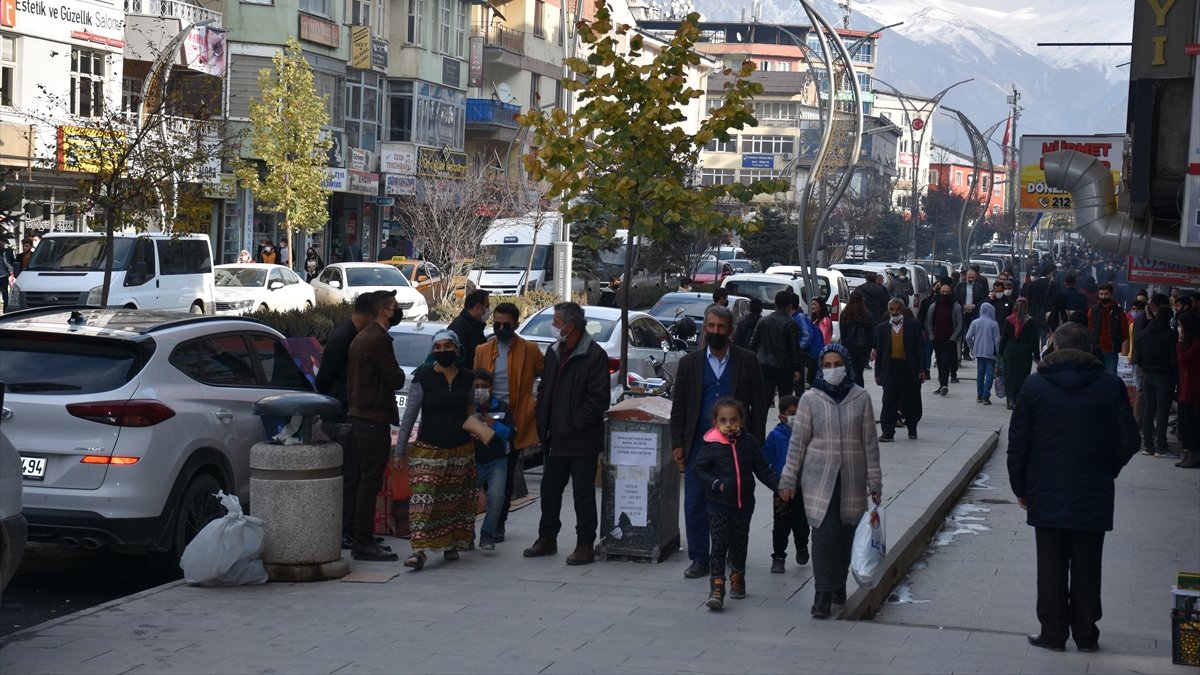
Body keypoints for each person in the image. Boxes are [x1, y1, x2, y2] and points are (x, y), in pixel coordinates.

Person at [1007, 322, 1139, 653]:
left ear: (1055, 346)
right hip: (1092, 489)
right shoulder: (1110, 386)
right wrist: (1108, 467)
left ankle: (1052, 633)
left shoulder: (1034, 386)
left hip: (1046, 488)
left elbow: (1018, 442)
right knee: (1087, 564)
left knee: (1050, 565)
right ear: (1090, 348)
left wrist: (1020, 486)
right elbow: (1130, 440)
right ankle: (1085, 633)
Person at [779, 344, 882, 619]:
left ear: (846, 366)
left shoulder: (861, 398)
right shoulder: (811, 399)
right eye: (827, 364)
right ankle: (822, 594)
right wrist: (788, 481)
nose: (832, 369)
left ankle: (838, 584)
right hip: (818, 479)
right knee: (824, 536)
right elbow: (797, 443)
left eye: (838, 364)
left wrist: (875, 483)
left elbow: (870, 443)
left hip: (851, 479)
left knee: (847, 534)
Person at [670, 304, 768, 579]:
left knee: (733, 501)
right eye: (710, 326)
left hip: (734, 446)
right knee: (695, 502)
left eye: (720, 327)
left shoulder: (747, 361)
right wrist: (677, 443)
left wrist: (756, 443)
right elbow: (679, 407)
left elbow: (759, 406)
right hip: (698, 444)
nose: (715, 331)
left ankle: (729, 553)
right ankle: (700, 557)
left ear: (730, 331)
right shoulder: (690, 363)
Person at [524, 302, 610, 565]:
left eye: (557, 321)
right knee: (550, 491)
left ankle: (584, 544)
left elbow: (598, 400)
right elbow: (546, 388)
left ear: (571, 326)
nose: (554, 326)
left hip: (581, 438)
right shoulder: (553, 351)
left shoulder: (594, 355)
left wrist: (573, 423)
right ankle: (547, 538)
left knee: (583, 494)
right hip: (554, 437)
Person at [394, 329, 477, 570]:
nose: (443, 352)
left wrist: (489, 437)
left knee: (452, 501)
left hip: (460, 452)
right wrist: (400, 451)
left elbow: (471, 413)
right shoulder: (423, 378)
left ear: (457, 349)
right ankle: (418, 551)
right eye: (437, 348)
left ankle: (450, 544)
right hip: (428, 450)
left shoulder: (468, 379)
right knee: (423, 499)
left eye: (447, 346)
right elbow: (409, 416)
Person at [316, 292, 389, 548]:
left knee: (359, 475)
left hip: (353, 413)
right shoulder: (343, 338)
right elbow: (323, 380)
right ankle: (345, 530)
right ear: (370, 315)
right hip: (342, 414)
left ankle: (359, 531)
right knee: (350, 477)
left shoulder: (358, 336)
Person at [694, 397, 780, 610]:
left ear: (741, 420)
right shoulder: (711, 444)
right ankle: (717, 587)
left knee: (740, 544)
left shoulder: (748, 442)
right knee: (719, 546)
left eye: (733, 419)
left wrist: (779, 487)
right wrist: (716, 484)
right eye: (723, 420)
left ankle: (737, 577)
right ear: (715, 422)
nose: (729, 424)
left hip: (744, 505)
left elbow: (761, 469)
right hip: (718, 505)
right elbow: (699, 469)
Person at [474, 301, 545, 541]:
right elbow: (475, 384)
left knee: (504, 476)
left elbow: (547, 376)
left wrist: (535, 402)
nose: (501, 328)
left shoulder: (529, 350)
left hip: (512, 422)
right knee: (482, 473)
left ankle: (498, 524)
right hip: (484, 420)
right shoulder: (482, 350)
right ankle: (486, 521)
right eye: (497, 323)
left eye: (506, 324)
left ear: (515, 324)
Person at [346, 291, 407, 562]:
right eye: (394, 307)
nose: (397, 310)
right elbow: (394, 378)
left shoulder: (364, 336)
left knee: (366, 480)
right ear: (384, 310)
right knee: (369, 481)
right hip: (372, 418)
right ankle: (363, 541)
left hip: (364, 416)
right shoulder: (377, 339)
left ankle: (364, 537)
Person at [469, 369, 516, 551]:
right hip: (473, 461)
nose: (480, 390)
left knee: (496, 497)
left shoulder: (502, 408)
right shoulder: (469, 408)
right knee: (467, 500)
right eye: (476, 387)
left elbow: (512, 434)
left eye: (484, 387)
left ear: (491, 388)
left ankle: (488, 534)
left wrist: (494, 425)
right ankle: (467, 534)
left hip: (497, 461)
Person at [761, 395, 807, 574]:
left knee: (801, 523)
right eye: (793, 414)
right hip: (781, 490)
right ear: (782, 417)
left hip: (802, 489)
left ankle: (802, 546)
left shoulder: (808, 436)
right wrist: (777, 485)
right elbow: (765, 460)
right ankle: (779, 556)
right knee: (780, 524)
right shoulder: (775, 436)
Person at [876, 298, 927, 441]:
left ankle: (911, 427)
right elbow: (880, 351)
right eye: (891, 309)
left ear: (902, 310)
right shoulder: (883, 327)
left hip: (908, 368)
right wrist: (878, 372)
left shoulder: (913, 325)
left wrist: (922, 369)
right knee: (888, 400)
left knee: (910, 400)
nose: (894, 312)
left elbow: (920, 349)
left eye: (897, 309)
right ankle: (887, 432)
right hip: (890, 368)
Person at [1132, 305, 1177, 458]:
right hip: (1165, 377)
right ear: (1169, 318)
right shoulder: (1171, 335)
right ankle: (1161, 446)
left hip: (1148, 375)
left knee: (1148, 411)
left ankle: (1148, 446)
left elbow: (1136, 358)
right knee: (1162, 412)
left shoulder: (1142, 335)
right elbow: (1173, 359)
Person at [749, 290, 803, 407]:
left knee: (764, 401)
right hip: (785, 367)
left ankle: (760, 424)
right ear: (789, 306)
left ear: (775, 304)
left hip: (764, 365)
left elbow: (753, 343)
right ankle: (784, 423)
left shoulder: (763, 321)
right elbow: (795, 347)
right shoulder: (791, 323)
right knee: (785, 402)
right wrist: (797, 368)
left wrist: (752, 363)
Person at [1000, 297, 1041, 411]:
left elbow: (1004, 338)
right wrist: (1037, 356)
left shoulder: (1009, 320)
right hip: (1025, 351)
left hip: (1010, 350)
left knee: (1010, 374)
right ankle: (1019, 399)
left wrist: (1000, 352)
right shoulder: (1030, 321)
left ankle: (1010, 399)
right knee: (1022, 375)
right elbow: (1034, 340)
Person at [925, 281, 963, 395]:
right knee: (940, 362)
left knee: (946, 362)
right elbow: (929, 322)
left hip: (949, 339)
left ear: (950, 292)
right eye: (943, 292)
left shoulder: (955, 306)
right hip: (937, 339)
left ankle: (944, 384)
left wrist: (954, 337)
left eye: (947, 292)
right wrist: (931, 335)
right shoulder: (934, 306)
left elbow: (960, 324)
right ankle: (941, 384)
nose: (945, 294)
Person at [1176, 296, 1200, 468]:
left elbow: (1184, 359)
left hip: (1193, 387)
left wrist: (1179, 343)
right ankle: (1188, 451)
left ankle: (1194, 453)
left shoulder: (1195, 342)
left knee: (1192, 423)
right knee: (1184, 422)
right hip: (1184, 386)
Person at [1088, 284, 1128, 375]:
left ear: (1111, 294)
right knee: (1095, 376)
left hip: (1111, 350)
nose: (1103, 296)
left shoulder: (1119, 311)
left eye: (1106, 294)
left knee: (1111, 376)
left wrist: (1117, 342)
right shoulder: (1093, 311)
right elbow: (1089, 329)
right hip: (1096, 349)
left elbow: (1125, 332)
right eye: (1101, 294)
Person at [965, 302, 1000, 405]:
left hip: (979, 352)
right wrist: (999, 353)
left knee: (980, 374)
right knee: (989, 375)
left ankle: (979, 395)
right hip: (991, 353)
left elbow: (968, 337)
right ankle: (986, 396)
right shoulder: (994, 324)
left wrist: (972, 346)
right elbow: (997, 340)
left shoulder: (975, 322)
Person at [838, 290, 875, 387]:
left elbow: (842, 332)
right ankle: (859, 391)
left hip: (849, 347)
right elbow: (871, 334)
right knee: (859, 373)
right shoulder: (867, 316)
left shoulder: (845, 315)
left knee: (850, 371)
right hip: (862, 349)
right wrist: (871, 348)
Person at [449, 289, 490, 369]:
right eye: (487, 306)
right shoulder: (460, 328)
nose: (489, 310)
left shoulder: (474, 325)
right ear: (479, 307)